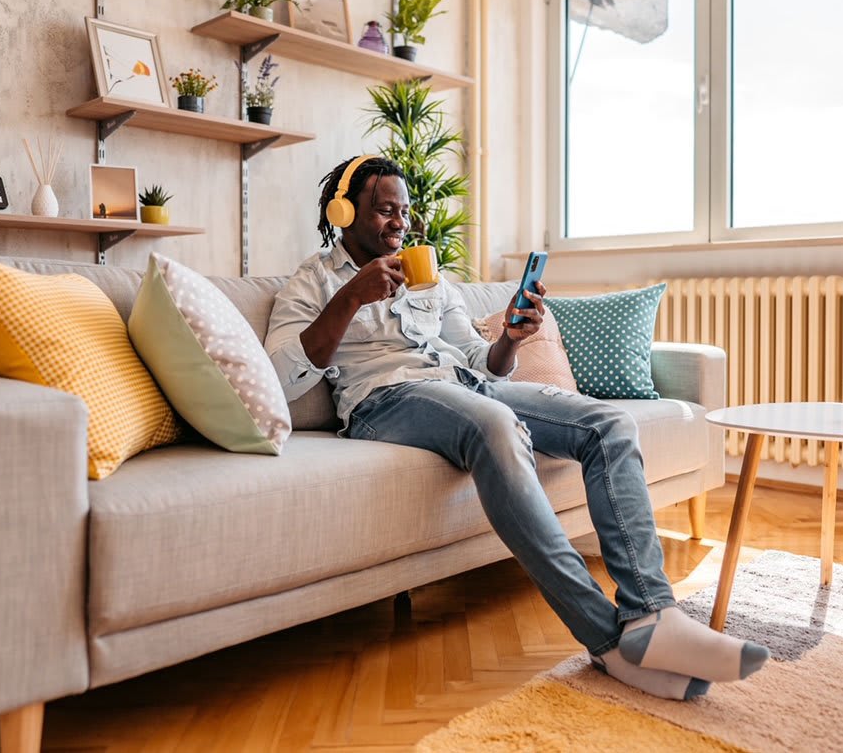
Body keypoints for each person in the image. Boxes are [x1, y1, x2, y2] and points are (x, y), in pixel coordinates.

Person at [267, 155, 768, 699]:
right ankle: (604, 639)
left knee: (609, 424)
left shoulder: (428, 277)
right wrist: (351, 296)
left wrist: (511, 336)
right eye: (385, 211)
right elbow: (282, 376)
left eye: (405, 211)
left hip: (466, 386)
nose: (400, 223)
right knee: (497, 425)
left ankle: (651, 617)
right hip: (384, 400)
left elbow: (483, 363)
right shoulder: (313, 280)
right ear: (344, 212)